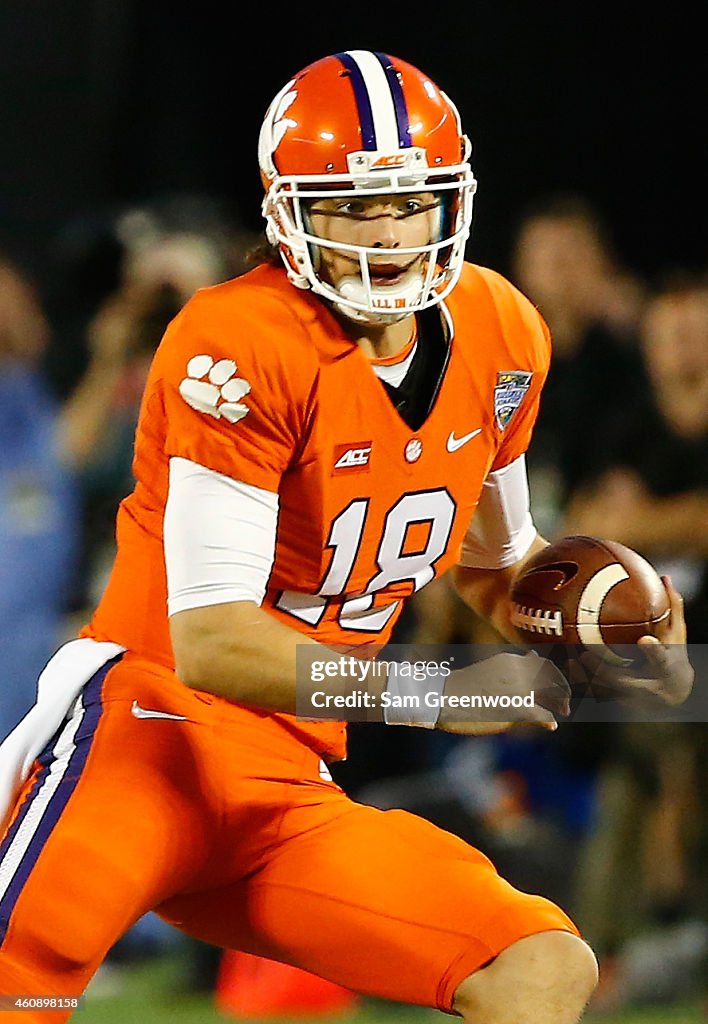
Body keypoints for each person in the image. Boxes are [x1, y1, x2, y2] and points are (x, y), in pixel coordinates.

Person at [0, 51, 693, 1024]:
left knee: (541, 964)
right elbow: (214, 641)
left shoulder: (502, 332)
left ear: (450, 201)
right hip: (145, 736)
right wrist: (432, 692)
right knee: (21, 974)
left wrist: (613, 624)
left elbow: (497, 563)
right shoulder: (241, 339)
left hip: (286, 779)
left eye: (406, 200)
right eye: (350, 205)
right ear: (290, 214)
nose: (386, 232)